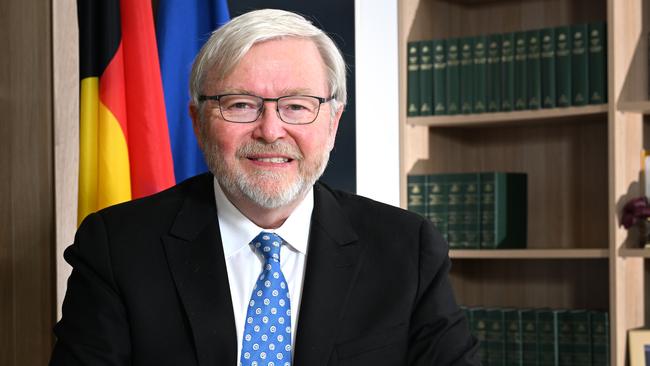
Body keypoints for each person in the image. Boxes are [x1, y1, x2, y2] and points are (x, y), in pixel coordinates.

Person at [50, 9, 479, 366]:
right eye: (241, 105)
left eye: (296, 106)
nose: (271, 131)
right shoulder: (117, 247)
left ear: (333, 123)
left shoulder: (407, 249)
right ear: (199, 123)